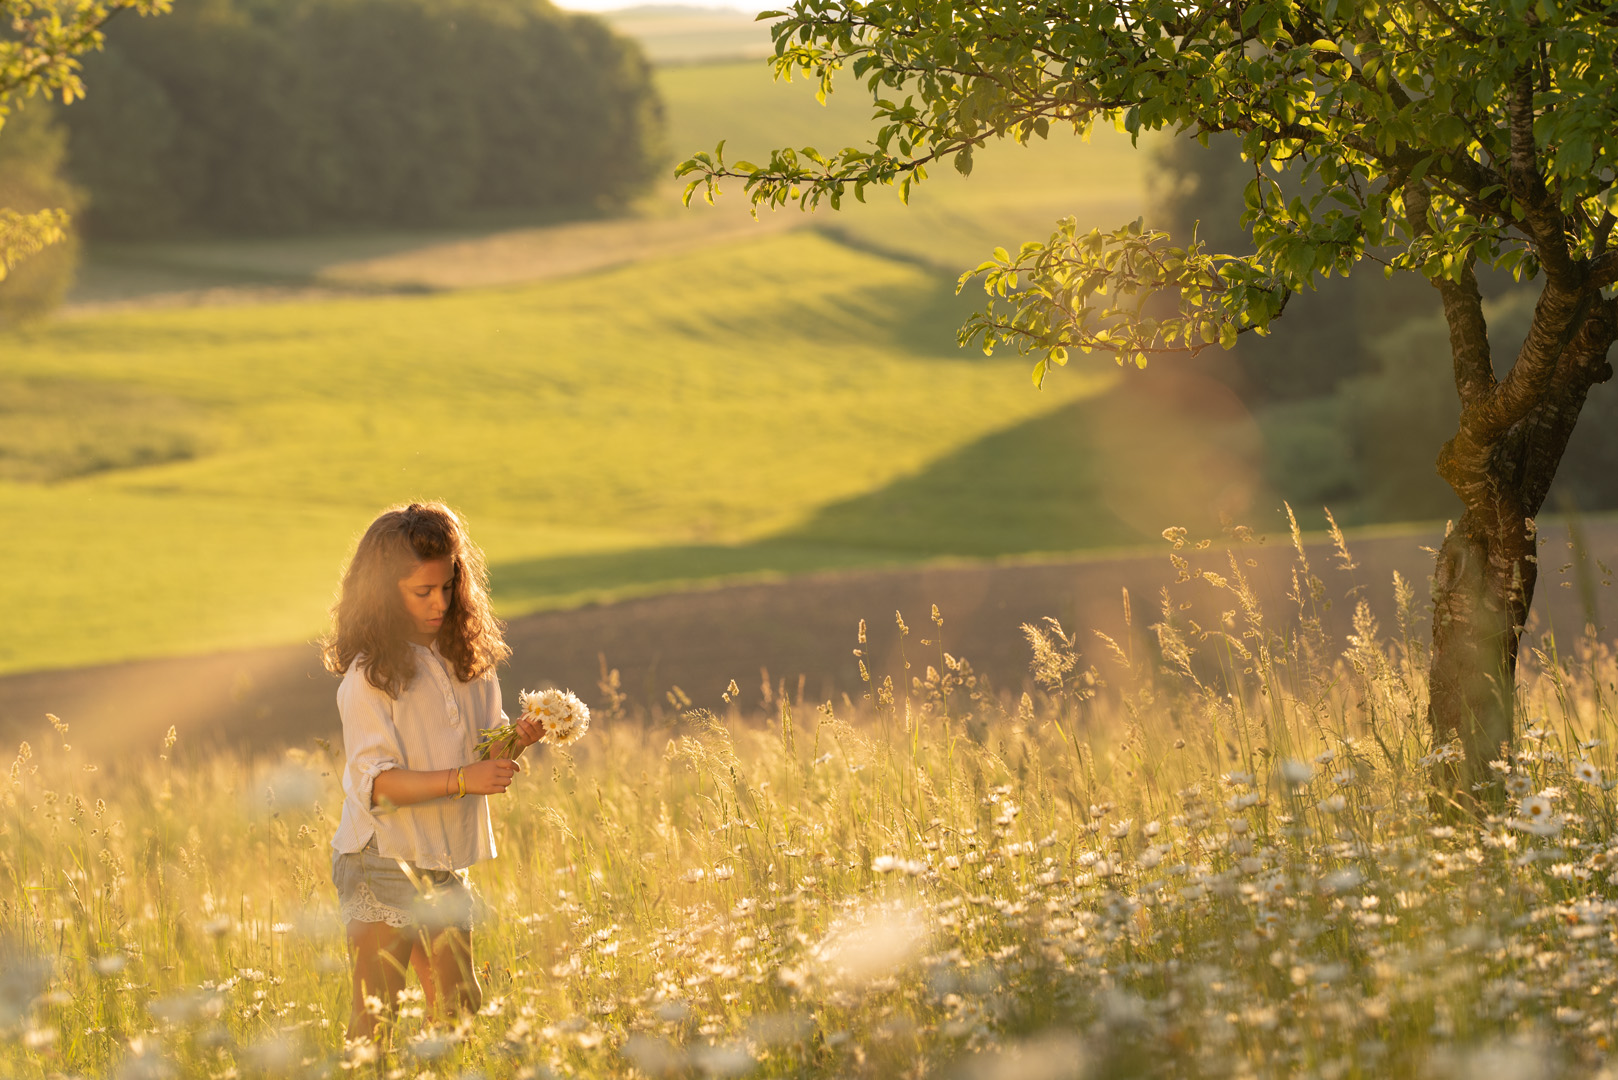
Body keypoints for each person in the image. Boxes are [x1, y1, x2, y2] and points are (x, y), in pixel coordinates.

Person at [321, 502, 538, 1042]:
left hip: (440, 857)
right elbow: (379, 788)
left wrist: (521, 739)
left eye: (448, 586)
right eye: (423, 592)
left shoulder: (471, 660)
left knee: (461, 1006)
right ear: (383, 592)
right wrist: (463, 780)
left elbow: (486, 750)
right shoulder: (370, 678)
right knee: (376, 1018)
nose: (439, 602)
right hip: (381, 857)